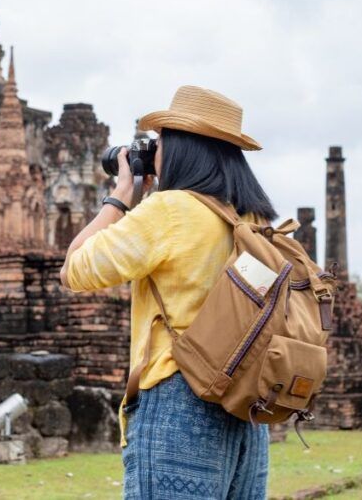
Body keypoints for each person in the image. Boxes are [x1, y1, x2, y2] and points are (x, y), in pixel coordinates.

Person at [60, 85, 277, 500]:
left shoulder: (171, 210)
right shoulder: (254, 219)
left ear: (180, 149)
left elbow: (75, 268)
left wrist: (121, 195)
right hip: (248, 406)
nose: (153, 153)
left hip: (181, 398)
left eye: (159, 143)